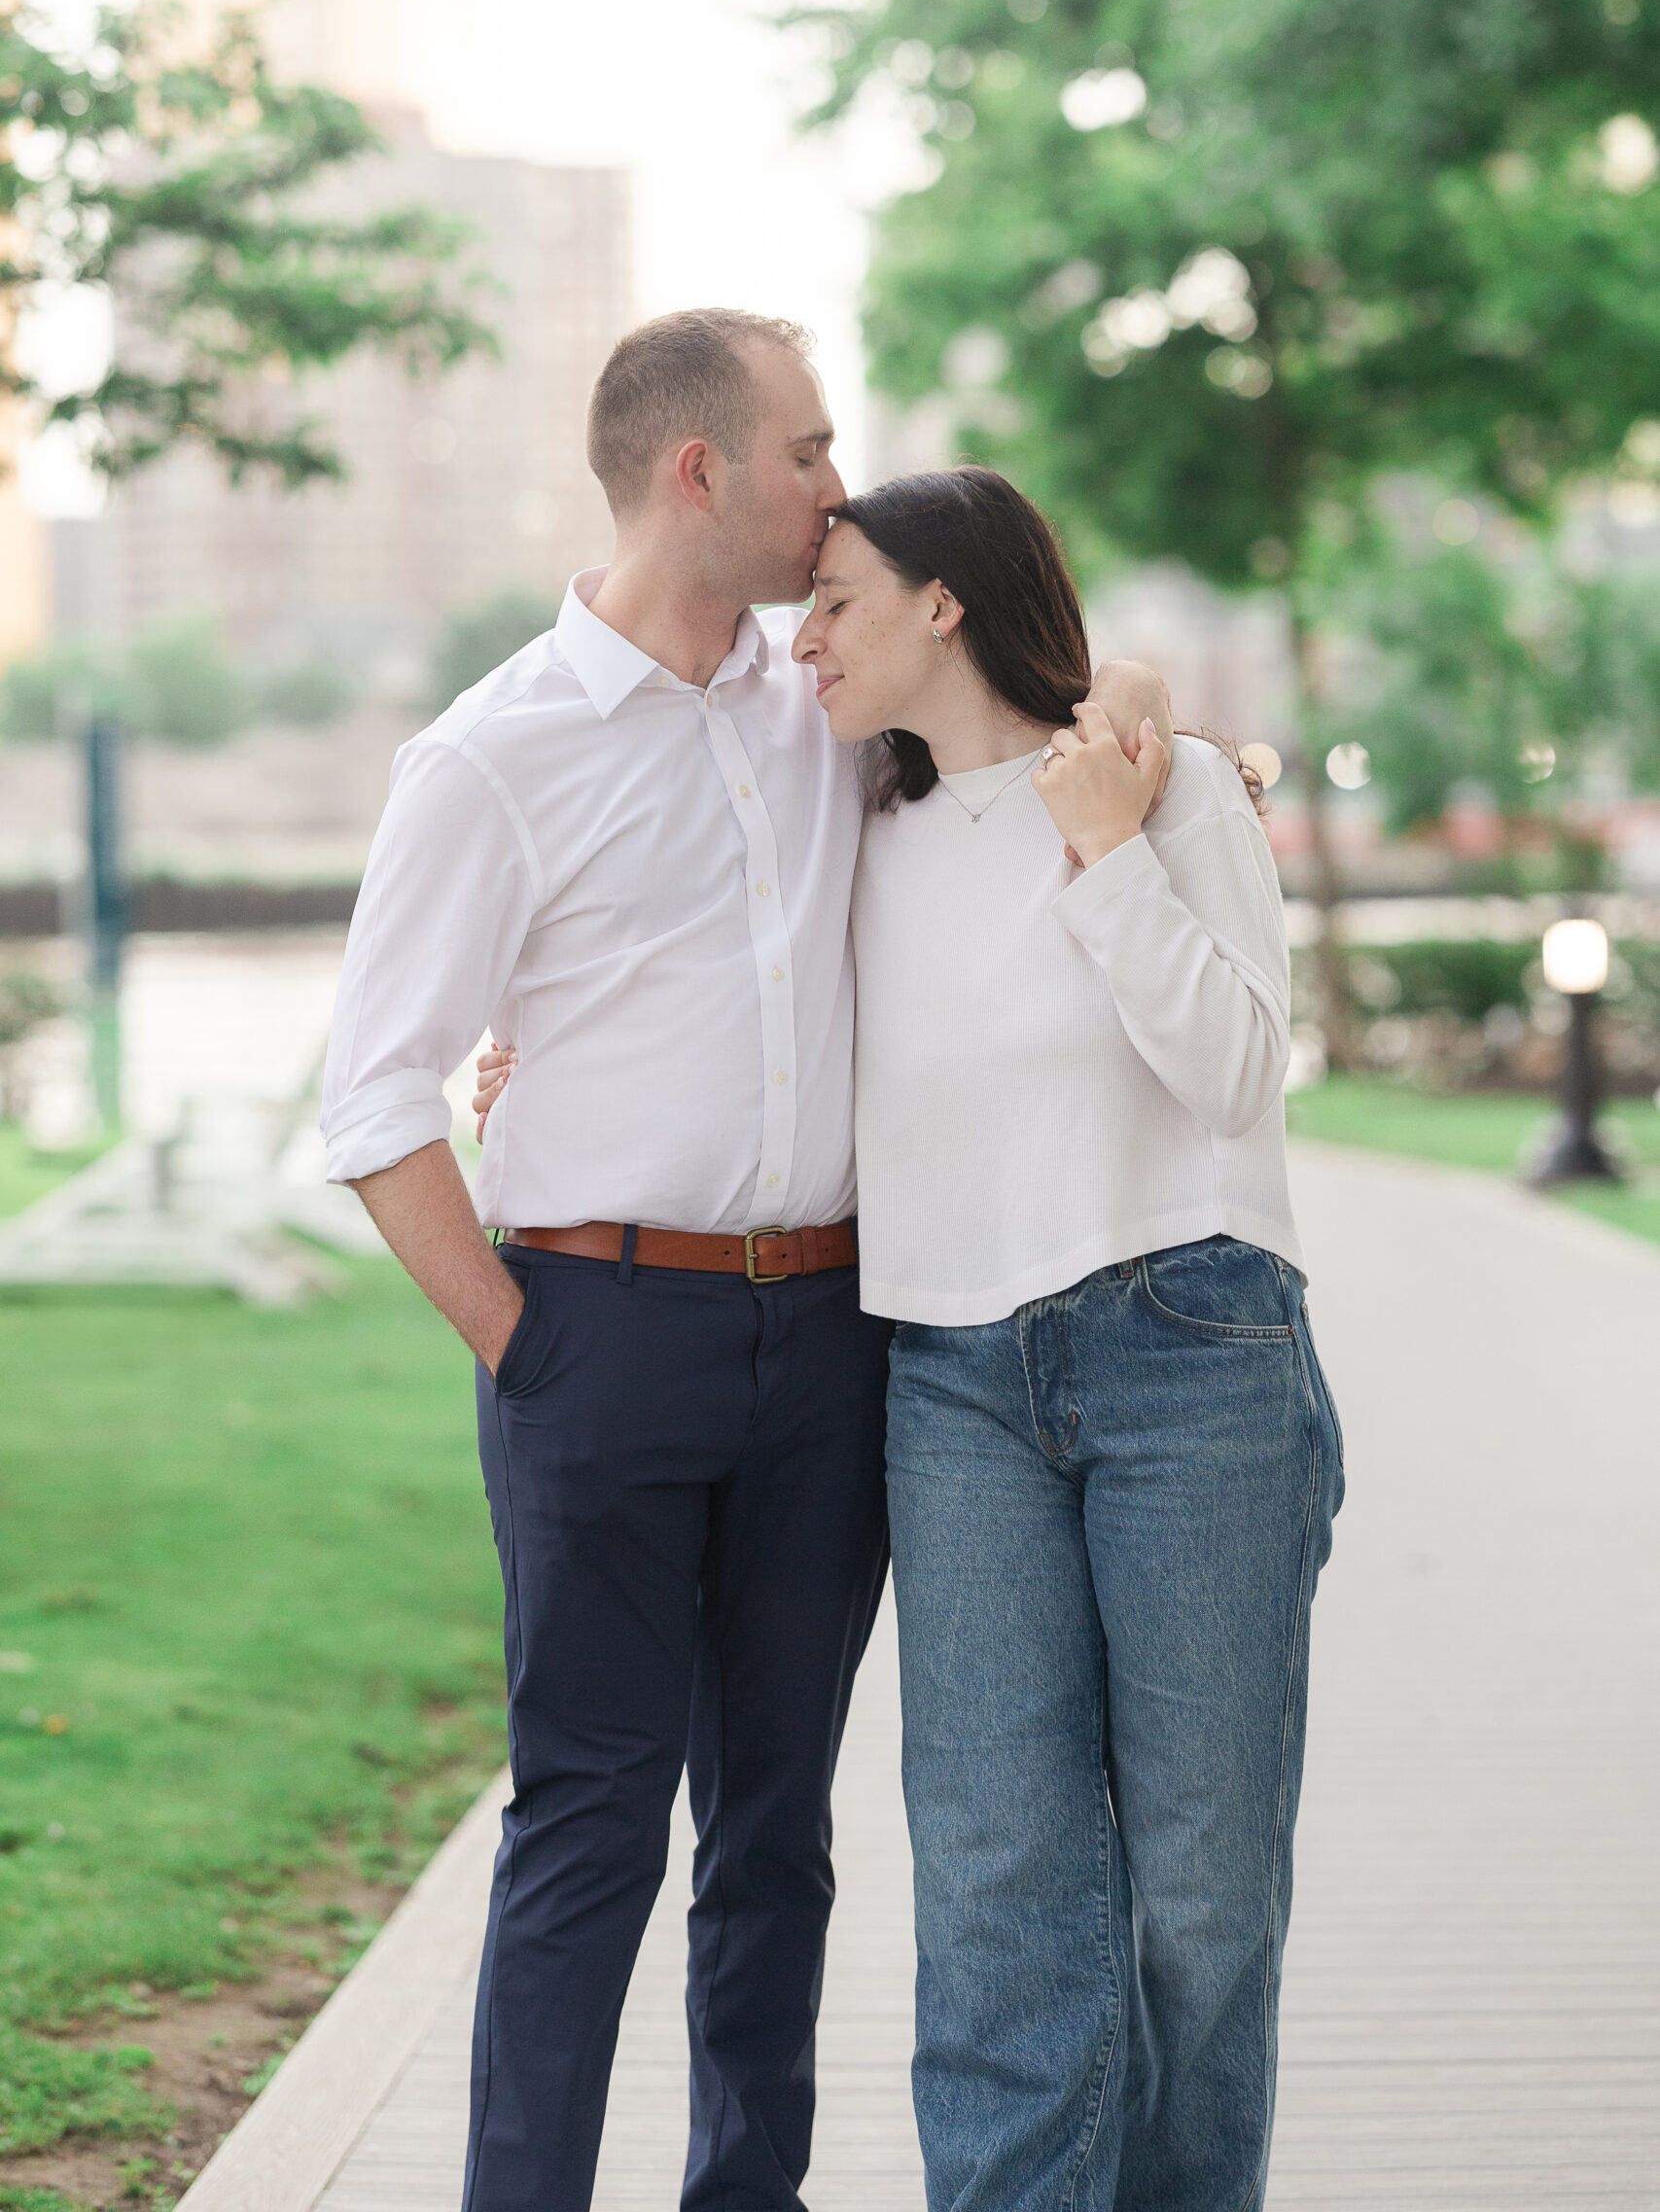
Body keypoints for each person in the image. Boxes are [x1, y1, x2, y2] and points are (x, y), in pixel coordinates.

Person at [320, 315, 1158, 2212]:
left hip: (835, 1336)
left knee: (774, 1833)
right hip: (600, 1331)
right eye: (807, 448)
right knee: (586, 1825)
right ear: (695, 471)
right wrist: (526, 1346)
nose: (833, 485)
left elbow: (1041, 706)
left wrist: (1164, 744)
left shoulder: (824, 701)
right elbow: (371, 1094)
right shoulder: (491, 753)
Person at [790, 466, 1344, 2212]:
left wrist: (1104, 845)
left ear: (943, 602)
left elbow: (1239, 1070)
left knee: (1198, 1895)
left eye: (836, 599)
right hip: (948, 1385)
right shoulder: (855, 831)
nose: (805, 638)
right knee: (991, 1886)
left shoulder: (1162, 790)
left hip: (1192, 1344)